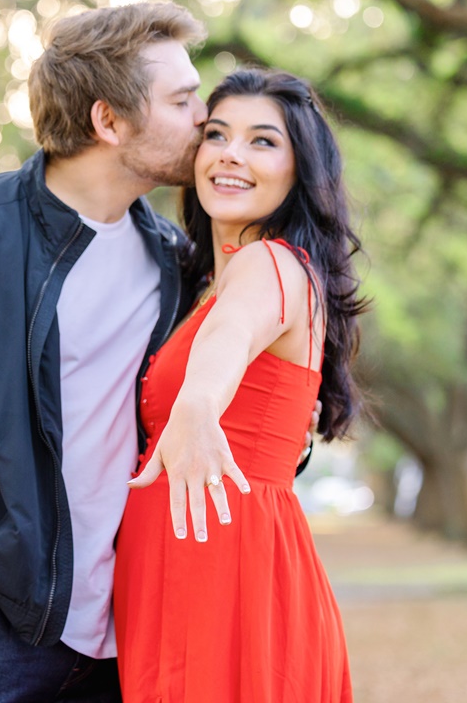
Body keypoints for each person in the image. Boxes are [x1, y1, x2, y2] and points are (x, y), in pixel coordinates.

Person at [0, 2, 314, 702]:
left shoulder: (172, 259)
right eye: (181, 101)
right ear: (109, 121)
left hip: (117, 639)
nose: (204, 118)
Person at [115, 69, 367, 702]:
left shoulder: (270, 264)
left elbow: (229, 337)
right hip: (191, 567)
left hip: (226, 578)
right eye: (217, 134)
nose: (231, 153)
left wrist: (198, 405)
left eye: (262, 141)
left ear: (298, 170)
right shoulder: (215, 281)